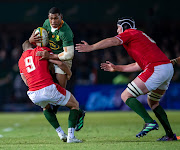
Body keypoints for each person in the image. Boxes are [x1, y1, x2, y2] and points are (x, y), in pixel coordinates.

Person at [75, 17, 177, 141]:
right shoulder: (140, 37)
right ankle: (170, 135)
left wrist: (91, 47)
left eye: (118, 28)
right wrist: (116, 68)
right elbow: (138, 65)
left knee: (126, 96)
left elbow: (113, 41)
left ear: (124, 27)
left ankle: (149, 122)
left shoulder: (130, 33)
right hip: (166, 67)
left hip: (156, 68)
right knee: (153, 102)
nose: (118, 31)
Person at [18, 40, 83, 143]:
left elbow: (25, 81)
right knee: (74, 104)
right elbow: (59, 63)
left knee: (46, 107)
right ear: (34, 45)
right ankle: (71, 136)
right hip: (48, 88)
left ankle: (61, 134)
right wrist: (68, 73)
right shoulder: (41, 50)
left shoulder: (21, 61)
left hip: (33, 93)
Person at [29, 7, 75, 115]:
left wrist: (51, 56)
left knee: (61, 86)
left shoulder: (65, 31)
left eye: (55, 18)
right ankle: (43, 100)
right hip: (48, 53)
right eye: (51, 18)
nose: (53, 21)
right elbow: (33, 39)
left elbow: (69, 54)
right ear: (48, 18)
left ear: (61, 17)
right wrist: (33, 39)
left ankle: (56, 106)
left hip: (61, 56)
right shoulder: (46, 23)